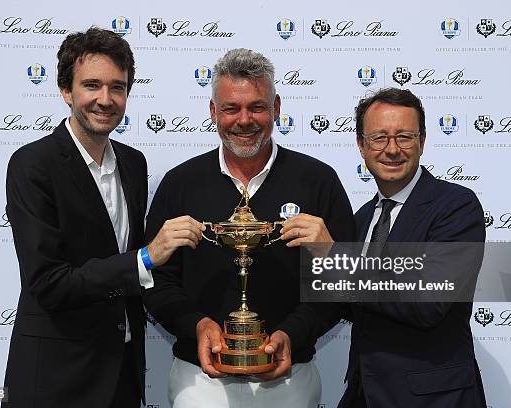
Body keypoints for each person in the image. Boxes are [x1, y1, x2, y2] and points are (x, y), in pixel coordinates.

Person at [2, 27, 203, 408]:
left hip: (122, 374)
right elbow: (48, 283)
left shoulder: (132, 162)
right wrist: (144, 258)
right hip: (55, 380)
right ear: (66, 90)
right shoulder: (33, 165)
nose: (105, 99)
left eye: (118, 87)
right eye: (92, 85)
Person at [143, 48, 355, 407]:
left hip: (290, 380)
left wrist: (293, 332)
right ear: (213, 112)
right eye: (231, 108)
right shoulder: (180, 183)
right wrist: (197, 325)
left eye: (256, 107)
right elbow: (156, 281)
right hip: (199, 383)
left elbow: (342, 284)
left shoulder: (318, 181)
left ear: (276, 108)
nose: (244, 120)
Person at [337, 88, 487, 408]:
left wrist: (335, 257)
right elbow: (352, 304)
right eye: (379, 138)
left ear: (422, 141)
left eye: (404, 136)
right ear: (361, 146)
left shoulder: (456, 207)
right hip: (365, 394)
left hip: (435, 399)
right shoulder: (363, 219)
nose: (392, 150)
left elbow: (427, 302)